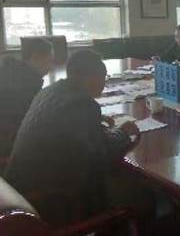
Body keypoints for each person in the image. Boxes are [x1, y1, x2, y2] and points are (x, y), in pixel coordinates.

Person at [4, 50, 148, 225]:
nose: (104, 83)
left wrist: (94, 120)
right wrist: (123, 132)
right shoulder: (81, 104)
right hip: (47, 201)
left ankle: (113, 230)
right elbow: (101, 154)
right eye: (103, 77)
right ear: (92, 78)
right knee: (139, 190)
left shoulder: (51, 91)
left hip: (18, 188)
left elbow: (70, 131)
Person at [0, 38, 55, 159]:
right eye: (49, 61)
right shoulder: (26, 84)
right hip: (10, 145)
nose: (51, 67)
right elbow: (34, 119)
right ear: (35, 57)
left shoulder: (12, 72)